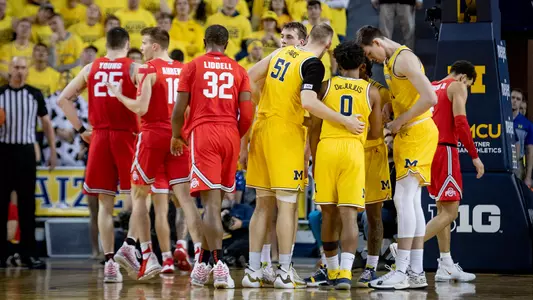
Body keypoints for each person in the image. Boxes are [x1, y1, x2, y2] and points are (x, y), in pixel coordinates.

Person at [243, 23, 363, 289]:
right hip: (285, 133)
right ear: (329, 45)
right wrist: (344, 120)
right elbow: (308, 102)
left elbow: (249, 76)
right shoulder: (313, 64)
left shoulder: (279, 53)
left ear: (307, 37)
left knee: (263, 205)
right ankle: (285, 271)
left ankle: (253, 271)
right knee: (287, 204)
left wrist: (266, 103)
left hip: (261, 128)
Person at [106, 26, 203, 280]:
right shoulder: (184, 69)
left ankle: (147, 256)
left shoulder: (149, 69)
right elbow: (191, 109)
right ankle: (202, 259)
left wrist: (119, 95)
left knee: (139, 195)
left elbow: (140, 107)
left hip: (152, 136)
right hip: (178, 138)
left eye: (145, 43)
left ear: (156, 46)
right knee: (185, 200)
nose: (142, 48)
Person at [171, 24, 253, 289]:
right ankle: (203, 263)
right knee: (215, 206)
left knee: (211, 207)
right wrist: (236, 135)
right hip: (230, 133)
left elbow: (179, 109)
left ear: (205, 41)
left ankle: (218, 265)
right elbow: (248, 114)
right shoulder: (239, 70)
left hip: (204, 133)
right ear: (227, 44)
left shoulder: (192, 66)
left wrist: (176, 135)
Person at [356, 25, 438, 290]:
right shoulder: (392, 61)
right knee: (412, 202)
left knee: (403, 199)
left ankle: (401, 270)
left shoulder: (404, 58)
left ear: (378, 43)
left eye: (370, 53)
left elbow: (430, 96)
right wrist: (393, 105)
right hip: (409, 134)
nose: (371, 60)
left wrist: (401, 118)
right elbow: (409, 95)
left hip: (417, 131)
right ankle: (415, 271)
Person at [57, 27, 140, 283]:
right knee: (137, 197)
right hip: (127, 136)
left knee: (105, 204)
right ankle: (130, 246)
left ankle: (109, 264)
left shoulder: (91, 68)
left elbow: (63, 100)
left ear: (106, 45)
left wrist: (82, 129)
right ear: (126, 44)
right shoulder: (134, 67)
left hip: (100, 137)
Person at [309, 40, 382, 290]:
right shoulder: (372, 91)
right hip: (353, 151)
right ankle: (345, 274)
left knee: (328, 214)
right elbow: (376, 133)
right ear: (362, 64)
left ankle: (330, 270)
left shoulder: (325, 86)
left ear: (338, 63)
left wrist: (315, 157)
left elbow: (314, 127)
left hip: (327, 148)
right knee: (349, 216)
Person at [424, 60, 483, 282]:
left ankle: (446, 264)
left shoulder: (432, 86)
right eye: (468, 84)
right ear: (462, 78)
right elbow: (460, 123)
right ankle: (405, 247)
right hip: (446, 150)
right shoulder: (457, 87)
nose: (466, 88)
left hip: (429, 150)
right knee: (451, 213)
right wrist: (475, 156)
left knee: (442, 211)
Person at [0, 56, 57, 269]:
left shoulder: (34, 94)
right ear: (9, 69)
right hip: (3, 151)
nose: (19, 71)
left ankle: (28, 253)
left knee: (27, 205)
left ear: (27, 70)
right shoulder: (0, 94)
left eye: (23, 67)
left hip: (25, 152)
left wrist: (52, 151)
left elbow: (46, 123)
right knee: (1, 204)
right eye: (16, 67)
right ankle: (2, 254)